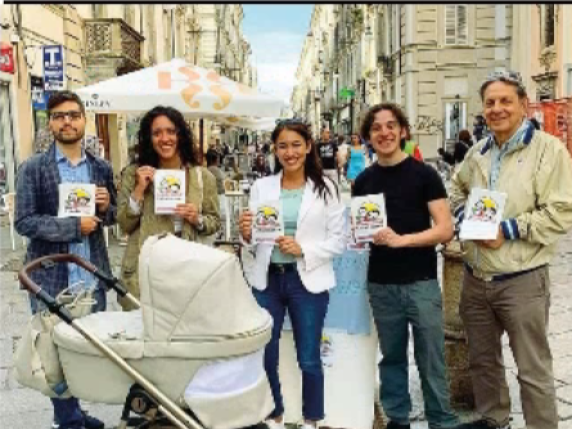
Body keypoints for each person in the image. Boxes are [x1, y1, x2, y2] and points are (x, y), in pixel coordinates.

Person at [450, 71, 572, 429]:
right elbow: (456, 189)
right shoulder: (477, 152)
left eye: (506, 101)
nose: (497, 109)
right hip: (476, 278)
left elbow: (561, 211)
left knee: (532, 368)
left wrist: (507, 229)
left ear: (522, 104)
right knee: (483, 361)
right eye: (490, 102)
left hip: (522, 279)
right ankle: (493, 419)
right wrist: (463, 216)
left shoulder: (549, 150)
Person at [353, 103, 460, 429]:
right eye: (376, 128)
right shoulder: (363, 181)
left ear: (402, 131)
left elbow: (445, 229)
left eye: (390, 126)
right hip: (381, 283)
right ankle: (397, 419)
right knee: (392, 358)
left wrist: (403, 240)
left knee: (431, 358)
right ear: (368, 136)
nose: (384, 133)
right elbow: (360, 232)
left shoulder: (424, 174)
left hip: (421, 281)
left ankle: (441, 419)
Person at [15, 90, 116, 429]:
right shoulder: (33, 169)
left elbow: (112, 217)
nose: (67, 121)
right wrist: (73, 226)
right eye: (59, 116)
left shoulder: (100, 167)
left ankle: (74, 413)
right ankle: (69, 420)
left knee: (84, 354)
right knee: (53, 356)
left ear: (84, 119)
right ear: (51, 123)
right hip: (50, 279)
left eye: (73, 115)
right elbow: (24, 221)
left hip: (91, 275)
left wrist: (105, 208)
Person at [238, 119, 345, 429]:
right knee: (265, 352)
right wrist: (246, 233)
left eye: (296, 144)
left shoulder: (326, 188)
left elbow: (338, 241)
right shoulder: (262, 187)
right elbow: (253, 240)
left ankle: (313, 418)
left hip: (306, 280)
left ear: (308, 147)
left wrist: (303, 250)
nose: (290, 152)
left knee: (309, 356)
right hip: (268, 279)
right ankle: (274, 414)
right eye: (283, 145)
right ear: (275, 149)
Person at [117, 106, 220, 310]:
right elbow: (124, 224)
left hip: (186, 271)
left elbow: (214, 222)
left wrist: (196, 218)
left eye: (171, 131)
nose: (165, 139)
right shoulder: (134, 173)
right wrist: (139, 190)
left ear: (180, 134)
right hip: (144, 271)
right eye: (157, 133)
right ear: (149, 138)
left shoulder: (201, 177)